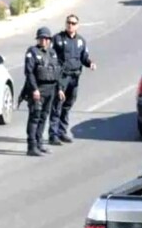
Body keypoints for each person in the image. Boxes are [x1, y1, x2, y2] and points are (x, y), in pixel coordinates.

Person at [49, 14, 96, 145]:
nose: (70, 25)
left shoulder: (81, 41)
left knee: (68, 104)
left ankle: (62, 132)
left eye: (73, 23)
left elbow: (84, 57)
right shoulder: (58, 39)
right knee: (57, 104)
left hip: (74, 77)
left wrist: (90, 63)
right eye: (68, 22)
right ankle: (53, 134)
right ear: (65, 24)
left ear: (77, 26)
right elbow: (51, 57)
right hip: (62, 77)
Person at [23, 27, 65, 157]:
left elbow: (57, 72)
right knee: (35, 117)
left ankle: (39, 143)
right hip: (38, 89)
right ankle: (32, 146)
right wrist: (34, 89)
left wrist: (60, 89)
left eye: (47, 39)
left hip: (50, 89)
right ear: (38, 39)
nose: (44, 41)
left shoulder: (52, 53)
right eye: (42, 38)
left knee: (43, 116)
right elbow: (29, 73)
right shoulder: (32, 52)